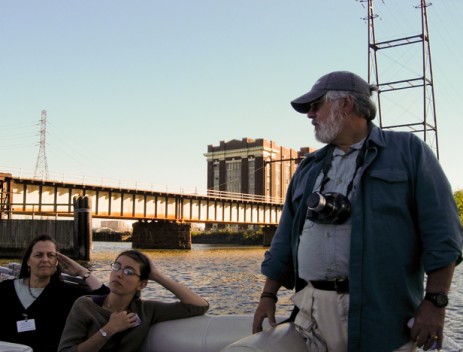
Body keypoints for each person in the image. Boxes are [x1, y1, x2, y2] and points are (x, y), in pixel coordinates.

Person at [251, 71, 463, 352]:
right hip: (309, 313)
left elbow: (443, 234)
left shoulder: (409, 152)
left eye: (316, 106)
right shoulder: (308, 167)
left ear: (346, 104)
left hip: (380, 315)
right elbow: (285, 238)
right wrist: (268, 296)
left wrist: (435, 303)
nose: (309, 115)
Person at [58, 249, 209, 352]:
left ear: (142, 284)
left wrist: (156, 275)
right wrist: (108, 330)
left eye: (129, 271)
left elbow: (199, 305)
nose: (119, 274)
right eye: (117, 266)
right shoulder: (85, 306)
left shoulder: (146, 310)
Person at [0, 234, 109, 352]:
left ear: (56, 262)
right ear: (28, 261)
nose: (45, 259)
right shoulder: (5, 289)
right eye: (38, 255)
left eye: (51, 255)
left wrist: (82, 271)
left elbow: (106, 298)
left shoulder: (68, 295)